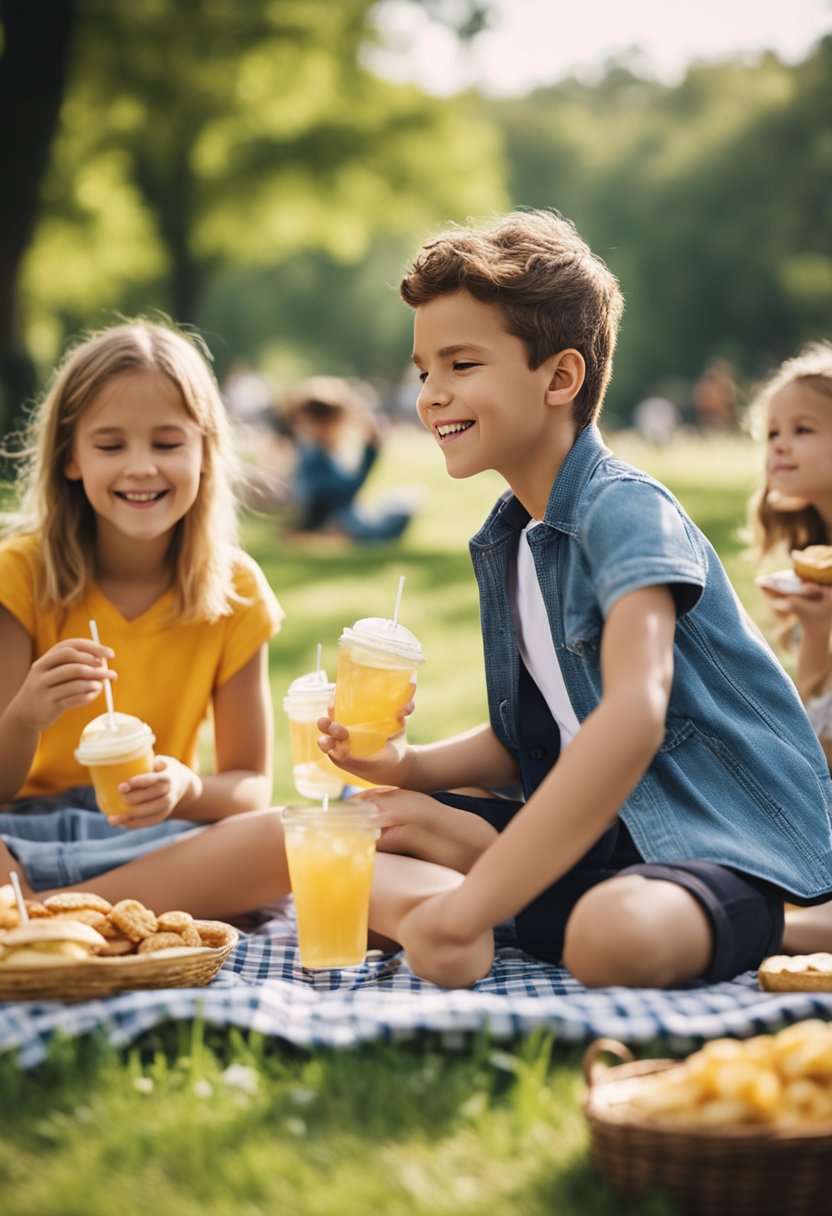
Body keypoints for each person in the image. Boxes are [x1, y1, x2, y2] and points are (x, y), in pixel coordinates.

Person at [318, 209, 832, 989]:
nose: (430, 396)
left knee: (610, 938)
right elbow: (538, 731)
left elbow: (631, 714)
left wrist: (461, 912)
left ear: (560, 378)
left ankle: (794, 926)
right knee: (360, 830)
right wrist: (407, 763)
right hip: (610, 837)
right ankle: (507, 903)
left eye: (460, 364)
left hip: (716, 834)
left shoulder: (624, 509)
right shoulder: (513, 536)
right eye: (424, 371)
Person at [0, 320, 464, 933]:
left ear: (206, 451)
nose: (141, 468)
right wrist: (27, 714)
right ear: (70, 458)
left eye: (167, 444)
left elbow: (248, 786)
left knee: (286, 831)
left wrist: (186, 790)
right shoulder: (21, 574)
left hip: (156, 842)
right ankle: (84, 918)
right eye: (110, 446)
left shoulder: (235, 591)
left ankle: (48, 918)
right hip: (17, 836)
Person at [282, 376, 420, 544]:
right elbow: (342, 494)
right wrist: (371, 452)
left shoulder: (320, 454)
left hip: (343, 522)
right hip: (345, 526)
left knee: (403, 499)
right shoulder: (315, 458)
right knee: (404, 507)